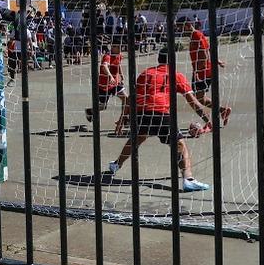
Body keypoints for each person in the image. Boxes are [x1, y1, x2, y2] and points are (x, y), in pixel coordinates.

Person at [104, 47, 230, 192]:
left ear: (159, 60)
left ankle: (116, 164)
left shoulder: (146, 73)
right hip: (161, 114)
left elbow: (131, 99)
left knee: (136, 139)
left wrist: (122, 119)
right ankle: (188, 179)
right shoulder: (176, 75)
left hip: (142, 114)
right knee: (180, 145)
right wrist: (207, 120)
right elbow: (193, 102)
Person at [85, 37, 126, 125]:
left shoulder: (119, 55)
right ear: (112, 47)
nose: (120, 49)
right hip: (104, 85)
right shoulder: (107, 56)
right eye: (118, 47)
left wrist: (121, 76)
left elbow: (118, 65)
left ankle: (122, 119)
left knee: (125, 98)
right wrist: (110, 76)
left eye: (121, 47)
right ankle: (90, 111)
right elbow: (104, 67)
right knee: (103, 107)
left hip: (115, 84)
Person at [186, 18, 224, 101]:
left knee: (199, 98)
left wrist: (198, 73)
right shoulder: (197, 34)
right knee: (199, 98)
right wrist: (217, 60)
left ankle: (222, 110)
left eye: (180, 27)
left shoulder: (196, 35)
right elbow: (208, 47)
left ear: (187, 25)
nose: (179, 30)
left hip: (202, 72)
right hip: (204, 70)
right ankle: (221, 110)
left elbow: (204, 53)